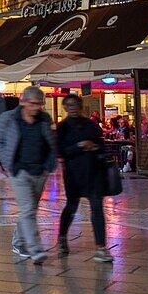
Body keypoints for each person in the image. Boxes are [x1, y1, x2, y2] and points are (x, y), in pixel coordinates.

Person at [0, 86, 57, 264]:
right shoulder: (9, 118)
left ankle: (18, 242)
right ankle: (36, 249)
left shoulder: (44, 119)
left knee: (30, 209)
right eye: (33, 104)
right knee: (28, 209)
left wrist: (49, 164)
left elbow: (51, 141)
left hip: (40, 171)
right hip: (19, 171)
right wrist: (7, 163)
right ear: (23, 102)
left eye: (40, 104)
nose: (37, 107)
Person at [56, 94, 113, 263]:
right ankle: (62, 237)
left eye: (75, 104)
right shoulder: (62, 127)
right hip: (74, 173)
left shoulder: (91, 125)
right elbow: (61, 151)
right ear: (65, 107)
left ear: (81, 106)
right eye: (69, 105)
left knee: (97, 207)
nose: (72, 107)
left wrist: (94, 146)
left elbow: (102, 147)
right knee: (71, 205)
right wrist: (80, 146)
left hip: (94, 171)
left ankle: (101, 248)